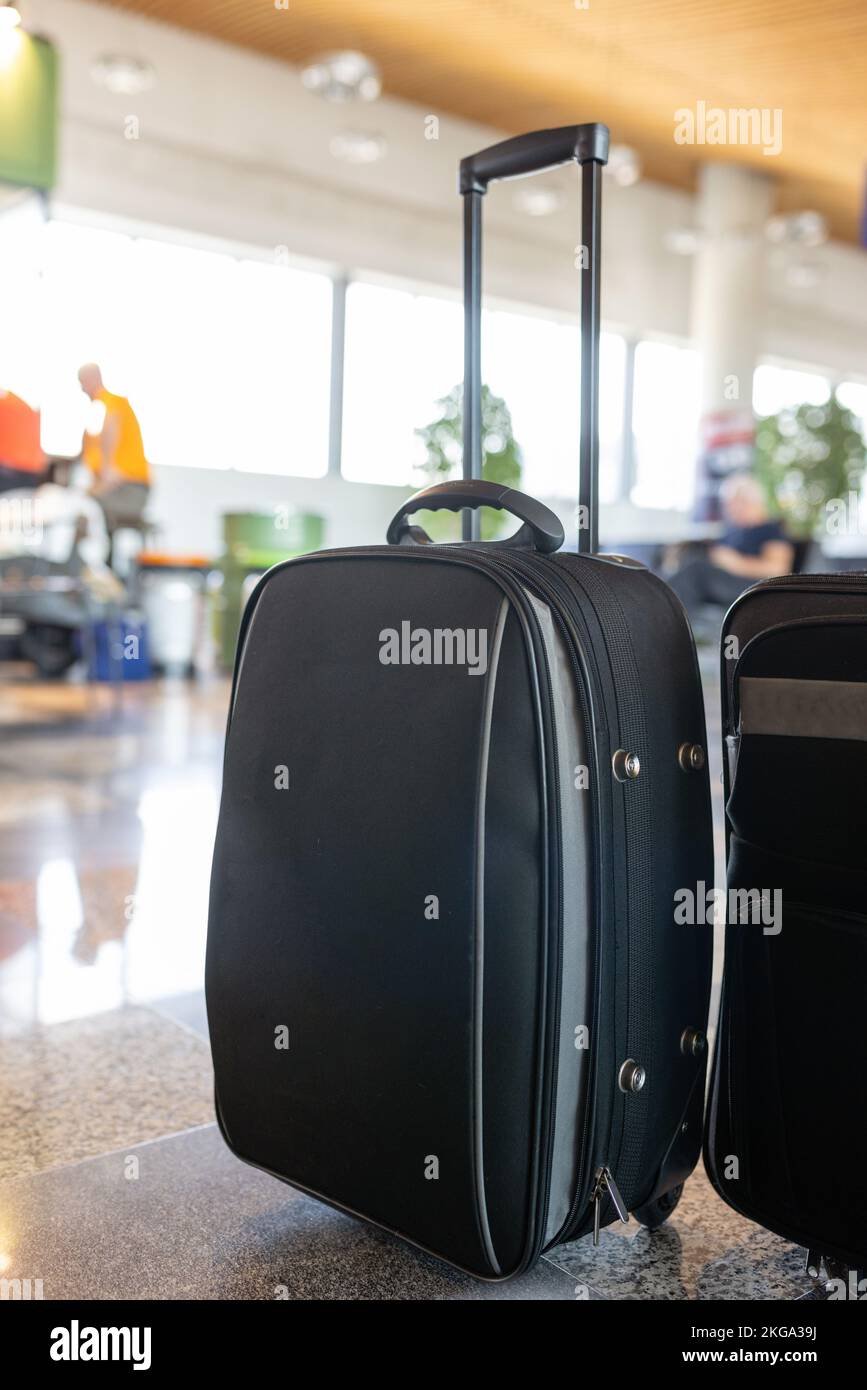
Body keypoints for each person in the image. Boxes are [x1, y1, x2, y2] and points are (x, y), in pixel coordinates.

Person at [668, 472, 794, 626]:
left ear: (747, 501)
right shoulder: (734, 531)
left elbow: (777, 569)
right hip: (720, 579)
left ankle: (675, 624)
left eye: (732, 503)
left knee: (695, 569)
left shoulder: (770, 529)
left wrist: (735, 562)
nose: (728, 509)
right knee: (690, 558)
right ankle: (664, 608)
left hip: (750, 586)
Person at [78, 364, 150, 564]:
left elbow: (111, 424)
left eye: (82, 383)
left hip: (129, 488)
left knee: (82, 509)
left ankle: (97, 569)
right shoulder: (97, 410)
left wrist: (108, 468)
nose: (82, 389)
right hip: (117, 486)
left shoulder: (110, 403)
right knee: (81, 506)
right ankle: (98, 567)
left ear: (92, 379)